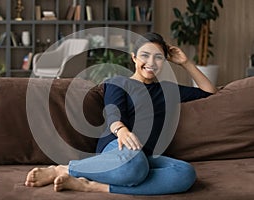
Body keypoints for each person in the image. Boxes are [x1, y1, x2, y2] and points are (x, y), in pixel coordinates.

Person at [24, 32, 217, 195]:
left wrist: (185, 63)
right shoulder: (118, 82)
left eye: (158, 57)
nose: (151, 62)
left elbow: (209, 92)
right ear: (134, 57)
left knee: (185, 174)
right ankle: (63, 169)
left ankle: (92, 186)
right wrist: (121, 130)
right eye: (145, 55)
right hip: (117, 149)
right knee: (134, 165)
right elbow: (112, 111)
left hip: (147, 157)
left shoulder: (168, 90)